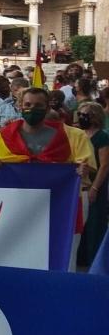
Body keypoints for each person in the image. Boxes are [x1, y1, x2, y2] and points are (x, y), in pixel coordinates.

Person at [78, 102, 109, 268]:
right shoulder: (80, 134)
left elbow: (104, 165)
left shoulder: (102, 137)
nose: (81, 117)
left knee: (95, 222)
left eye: (85, 114)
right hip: (80, 184)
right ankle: (81, 258)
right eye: (80, 113)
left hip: (97, 183)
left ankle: (95, 261)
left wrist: (95, 188)